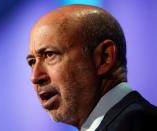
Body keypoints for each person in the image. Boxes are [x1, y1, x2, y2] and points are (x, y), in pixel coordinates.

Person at [26, 4, 157, 131]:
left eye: (50, 55)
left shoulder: (137, 123)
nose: (35, 77)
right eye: (32, 62)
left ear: (104, 58)